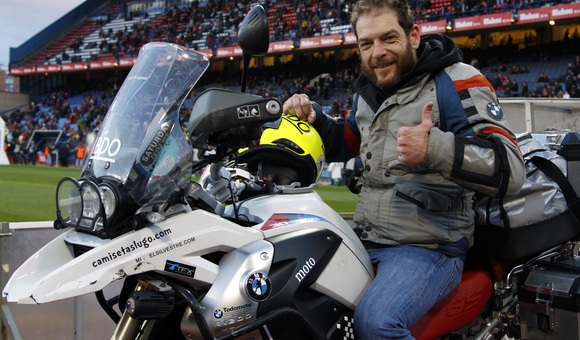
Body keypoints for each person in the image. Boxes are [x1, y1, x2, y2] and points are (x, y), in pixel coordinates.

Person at [282, 0, 525, 338]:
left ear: (414, 35)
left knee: (377, 323)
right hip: (368, 237)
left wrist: (436, 149)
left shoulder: (456, 82)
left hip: (430, 247)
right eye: (366, 43)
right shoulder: (368, 94)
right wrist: (316, 118)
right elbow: (346, 143)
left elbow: (511, 168)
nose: (377, 52)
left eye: (388, 38)